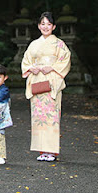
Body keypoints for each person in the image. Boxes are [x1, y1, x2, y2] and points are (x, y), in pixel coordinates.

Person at [21, 11, 71, 162]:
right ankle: (42, 151)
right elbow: (26, 61)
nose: (45, 27)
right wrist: (31, 68)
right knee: (38, 117)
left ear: (54, 26)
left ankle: (52, 151)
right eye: (43, 24)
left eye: (48, 24)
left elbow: (65, 60)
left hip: (51, 81)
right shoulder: (34, 44)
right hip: (37, 80)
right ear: (38, 26)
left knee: (51, 117)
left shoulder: (59, 44)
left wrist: (52, 68)